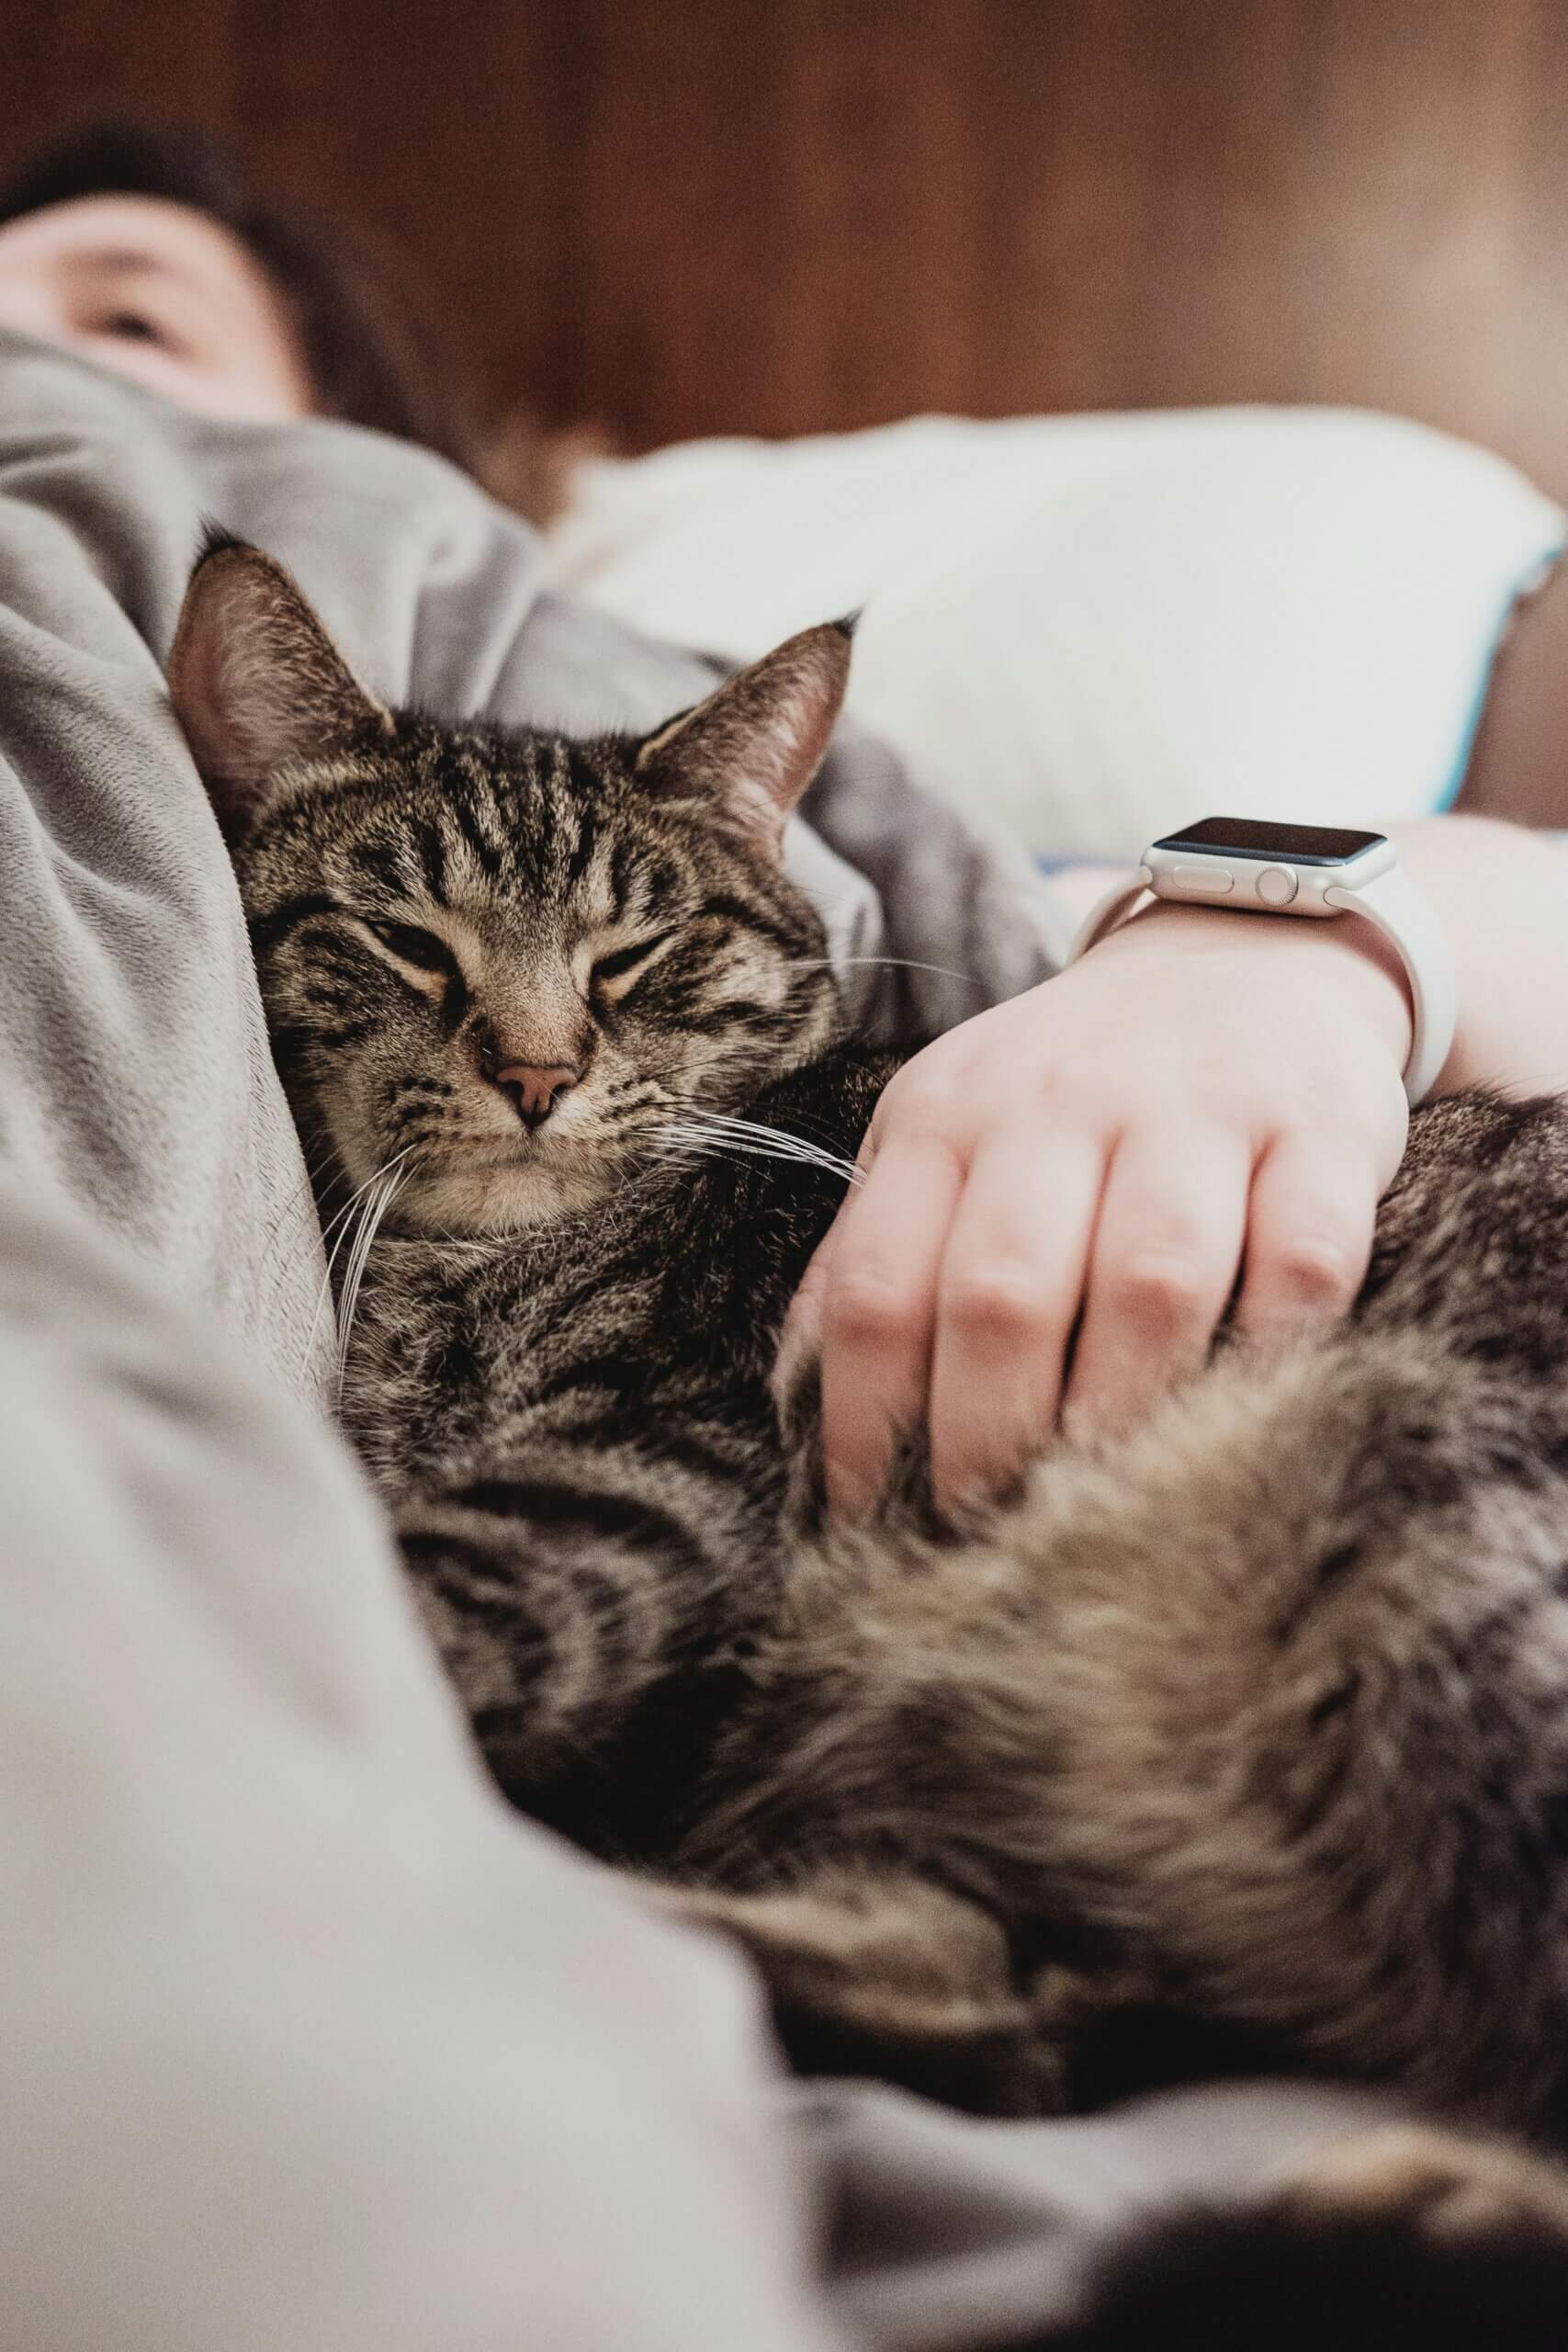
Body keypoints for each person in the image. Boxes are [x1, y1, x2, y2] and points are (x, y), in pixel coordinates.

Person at [1, 116, 1566, 2352]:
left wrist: (1288, 938)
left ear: (352, 423)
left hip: (1314, 1457)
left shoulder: (797, 922)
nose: (541, 1064)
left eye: (126, 309)